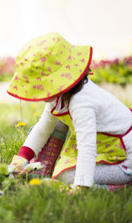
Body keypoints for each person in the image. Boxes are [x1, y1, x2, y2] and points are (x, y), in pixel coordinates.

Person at [8, 32, 132, 189]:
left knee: (67, 178)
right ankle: (43, 168)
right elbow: (43, 127)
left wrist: (80, 186)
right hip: (104, 146)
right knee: (57, 122)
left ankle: (121, 183)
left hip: (123, 158)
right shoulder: (60, 94)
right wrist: (22, 156)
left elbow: (87, 147)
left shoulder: (82, 103)